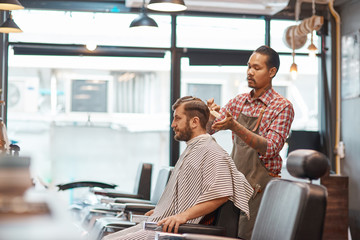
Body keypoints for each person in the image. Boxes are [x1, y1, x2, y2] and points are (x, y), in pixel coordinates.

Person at [103, 96, 253, 240]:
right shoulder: (194, 148)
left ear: (194, 122)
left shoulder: (211, 151)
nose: (173, 124)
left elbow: (221, 194)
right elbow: (186, 193)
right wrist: (163, 210)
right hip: (163, 224)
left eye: (177, 118)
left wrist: (183, 216)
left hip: (175, 231)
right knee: (108, 237)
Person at [207, 45, 295, 240]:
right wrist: (209, 115)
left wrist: (235, 126)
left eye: (257, 68)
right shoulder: (238, 102)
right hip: (234, 182)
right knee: (225, 234)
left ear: (272, 72)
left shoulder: (282, 107)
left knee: (250, 236)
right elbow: (209, 130)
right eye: (248, 67)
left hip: (260, 188)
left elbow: (271, 148)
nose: (250, 72)